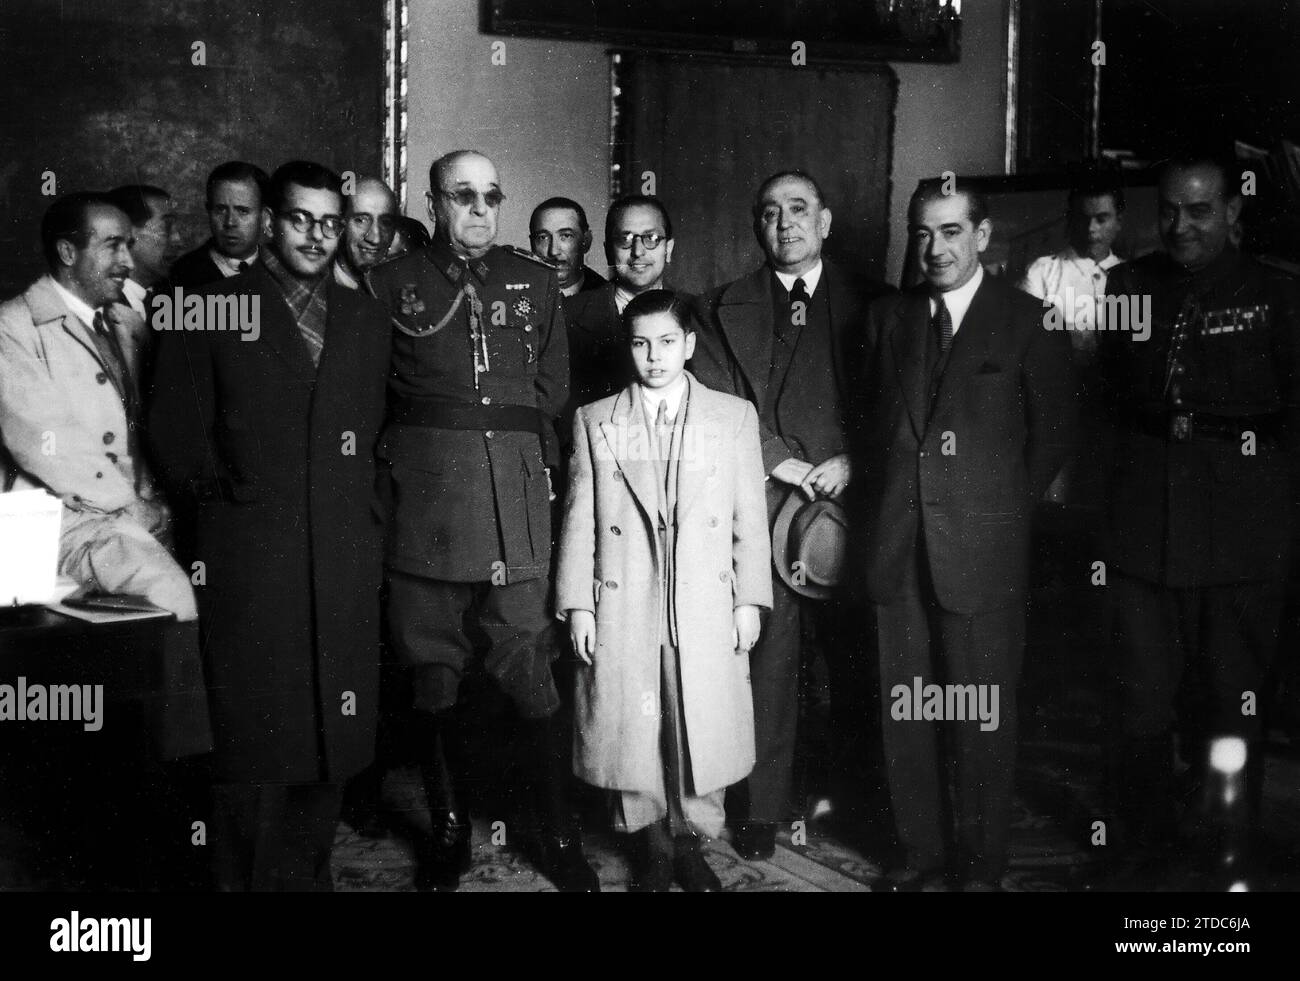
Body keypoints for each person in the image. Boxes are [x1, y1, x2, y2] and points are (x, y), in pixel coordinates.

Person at [148, 160, 392, 891]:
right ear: (268, 222)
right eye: (298, 219)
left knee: (329, 739)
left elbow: (379, 434)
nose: (316, 235)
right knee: (252, 743)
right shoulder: (208, 306)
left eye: (330, 221)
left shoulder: (365, 317)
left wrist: (366, 513)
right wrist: (228, 511)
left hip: (342, 557)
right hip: (250, 559)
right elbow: (173, 430)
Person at [366, 149, 597, 892]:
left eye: (491, 197)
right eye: (461, 196)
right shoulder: (390, 284)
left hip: (516, 504)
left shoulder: (533, 280)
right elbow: (374, 400)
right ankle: (450, 829)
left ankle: (557, 834)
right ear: (432, 203)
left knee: (531, 667)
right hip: (427, 508)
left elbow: (551, 389)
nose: (478, 210)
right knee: (432, 670)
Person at [853, 178, 1075, 891]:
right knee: (905, 706)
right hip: (896, 544)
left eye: (951, 231)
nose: (935, 248)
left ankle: (979, 866)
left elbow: (1053, 435)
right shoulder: (886, 318)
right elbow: (872, 427)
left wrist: (996, 507)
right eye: (923, 233)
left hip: (981, 551)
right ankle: (919, 851)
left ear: (982, 236)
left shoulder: (1027, 319)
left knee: (980, 712)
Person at [1097, 152, 1299, 882]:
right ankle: (1141, 850)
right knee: (1139, 701)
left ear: (1234, 212)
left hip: (1242, 535)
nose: (1180, 226)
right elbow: (1105, 404)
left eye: (1201, 211)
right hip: (1142, 529)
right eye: (1169, 211)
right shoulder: (1127, 284)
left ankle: (1227, 846)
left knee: (1233, 700)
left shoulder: (1277, 296)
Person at [691, 170, 893, 860]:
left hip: (856, 508)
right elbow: (713, 405)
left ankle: (864, 807)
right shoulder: (718, 307)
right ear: (757, 227)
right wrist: (784, 462)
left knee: (861, 662)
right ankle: (762, 805)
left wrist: (852, 463)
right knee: (768, 664)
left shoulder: (879, 304)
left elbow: (905, 411)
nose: (786, 224)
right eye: (770, 212)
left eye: (799, 210)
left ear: (826, 221)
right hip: (766, 504)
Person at [557, 290, 771, 891]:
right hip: (627, 602)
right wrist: (578, 604)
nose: (654, 356)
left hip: (704, 603)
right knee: (634, 724)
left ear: (691, 345)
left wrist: (749, 600)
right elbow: (579, 518)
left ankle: (690, 843)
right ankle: (649, 844)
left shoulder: (733, 418)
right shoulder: (597, 420)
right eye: (641, 343)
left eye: (668, 342)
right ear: (628, 347)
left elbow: (748, 519)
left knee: (697, 720)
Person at [0, 192, 196, 620]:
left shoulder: (127, 323)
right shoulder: (12, 327)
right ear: (68, 252)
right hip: (63, 522)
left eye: (129, 244)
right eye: (112, 246)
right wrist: (131, 505)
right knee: (174, 596)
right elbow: (44, 442)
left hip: (140, 511)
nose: (127, 261)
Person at [562, 195, 680, 419]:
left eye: (651, 238)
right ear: (608, 251)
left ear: (669, 248)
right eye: (625, 239)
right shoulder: (567, 315)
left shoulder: (698, 314)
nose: (638, 251)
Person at [1018, 180, 1125, 363]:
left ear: (1118, 222)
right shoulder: (1041, 273)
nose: (1091, 229)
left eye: (1101, 219)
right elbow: (1024, 343)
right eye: (1083, 218)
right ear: (1071, 219)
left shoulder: (1132, 274)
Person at [167, 161, 268, 289]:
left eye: (243, 211)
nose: (230, 222)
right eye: (220, 210)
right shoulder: (180, 274)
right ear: (208, 210)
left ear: (265, 216)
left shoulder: (280, 268)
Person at [529, 197, 607, 298]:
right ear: (532, 244)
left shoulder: (607, 297)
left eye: (566, 236)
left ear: (586, 241)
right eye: (543, 237)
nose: (553, 251)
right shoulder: (513, 293)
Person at [335, 176, 399, 290]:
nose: (376, 239)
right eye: (361, 220)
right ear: (340, 224)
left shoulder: (393, 288)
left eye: (386, 222)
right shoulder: (321, 290)